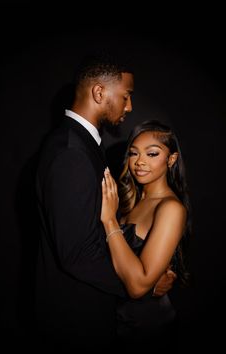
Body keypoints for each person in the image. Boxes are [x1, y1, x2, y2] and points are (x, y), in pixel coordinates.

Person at [35, 53, 176, 352]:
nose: (130, 106)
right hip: (76, 321)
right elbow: (77, 254)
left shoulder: (80, 144)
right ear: (99, 92)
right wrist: (143, 287)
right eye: (125, 96)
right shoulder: (72, 152)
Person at [101, 119, 191, 352]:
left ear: (171, 159)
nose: (139, 162)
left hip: (147, 330)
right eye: (133, 153)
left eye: (152, 154)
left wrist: (109, 220)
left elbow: (138, 286)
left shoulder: (170, 208)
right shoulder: (129, 201)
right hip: (115, 324)